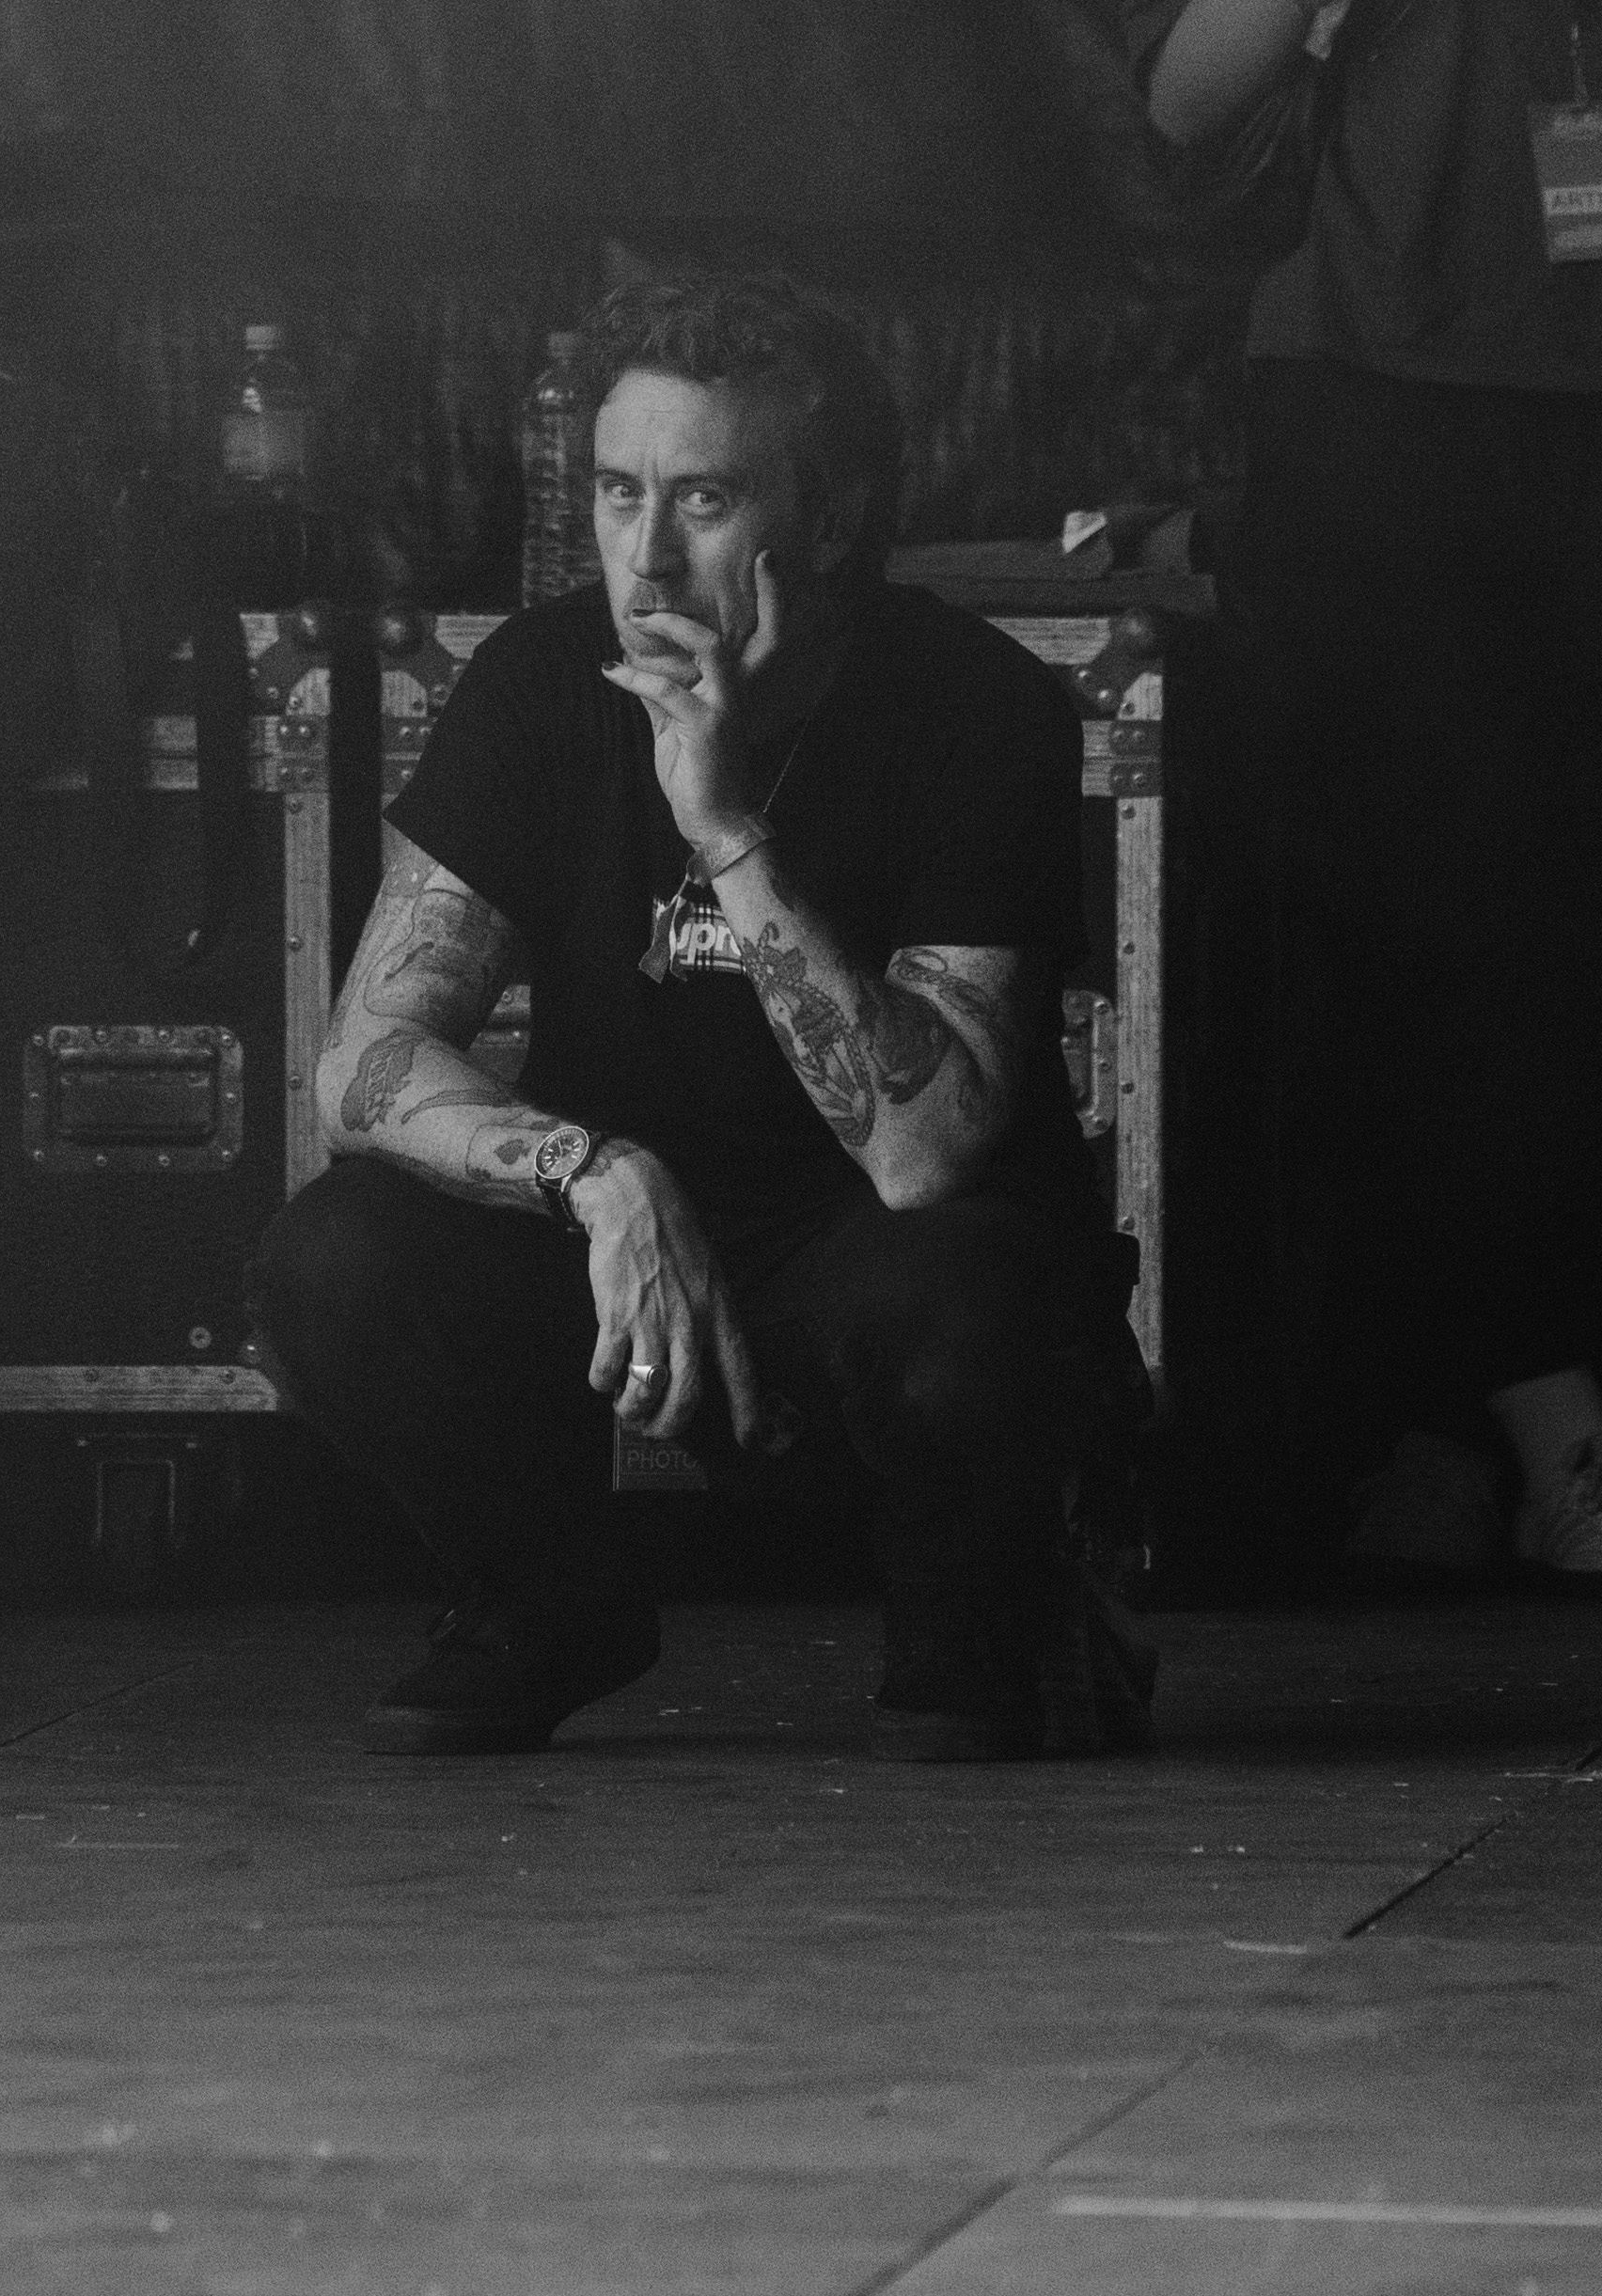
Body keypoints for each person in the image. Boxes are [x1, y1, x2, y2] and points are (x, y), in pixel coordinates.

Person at [250, 267, 1151, 1760]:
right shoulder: (541, 681)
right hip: (623, 1250)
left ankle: (986, 1616)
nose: (647, 559)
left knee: (956, 1303)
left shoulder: (971, 701)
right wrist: (593, 1173)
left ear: (835, 516)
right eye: (617, 493)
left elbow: (923, 1150)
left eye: (706, 499)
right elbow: (360, 1061)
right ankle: (546, 1603)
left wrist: (724, 827)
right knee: (327, 1257)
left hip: (881, 1268)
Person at [1128, 0, 1602, 1591]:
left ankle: (1529, 1420)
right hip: (1384, 421)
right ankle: (1529, 1420)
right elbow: (1179, 110)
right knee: (1425, 941)